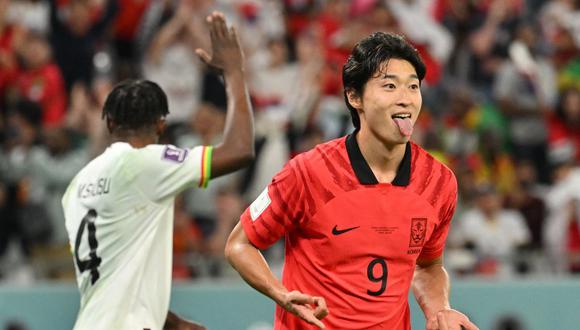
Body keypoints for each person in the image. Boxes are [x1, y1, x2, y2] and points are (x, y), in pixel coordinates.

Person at [225, 32, 478, 329]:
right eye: (389, 86)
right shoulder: (308, 172)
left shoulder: (439, 182)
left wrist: (439, 310)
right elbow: (239, 245)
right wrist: (281, 295)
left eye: (413, 86)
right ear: (354, 96)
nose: (405, 98)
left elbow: (428, 266)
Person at [62, 12, 254, 330]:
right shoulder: (146, 163)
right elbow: (239, 151)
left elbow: (114, 279)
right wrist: (234, 73)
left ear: (109, 122)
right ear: (161, 125)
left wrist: (175, 324)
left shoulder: (77, 185)